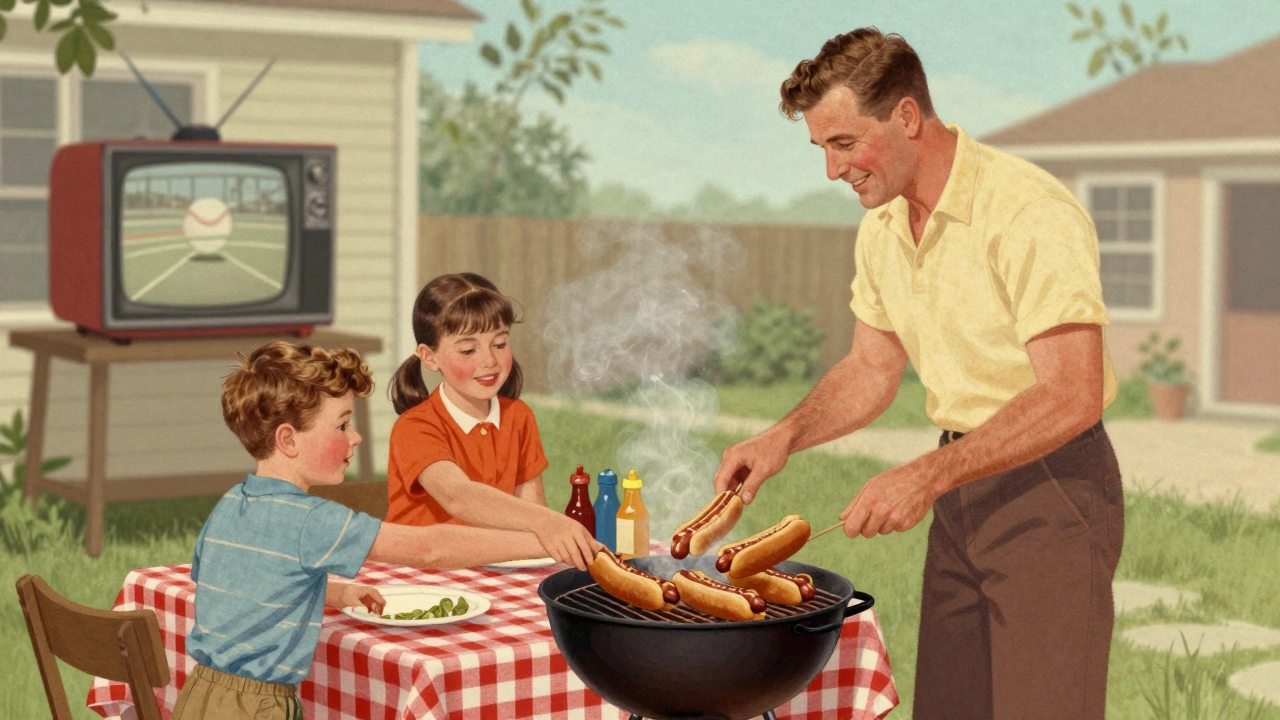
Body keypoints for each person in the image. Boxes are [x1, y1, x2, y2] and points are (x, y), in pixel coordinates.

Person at [712, 28, 1123, 720]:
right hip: (961, 492)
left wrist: (925, 477)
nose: (832, 171)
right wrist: (782, 437)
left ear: (906, 116)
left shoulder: (1026, 211)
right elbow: (872, 368)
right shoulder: (883, 228)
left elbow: (1071, 394)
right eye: (822, 150)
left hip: (1051, 490)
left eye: (844, 144)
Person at [173, 341, 593, 720]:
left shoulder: (232, 502)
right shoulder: (309, 518)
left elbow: (242, 585)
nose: (354, 438)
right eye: (340, 426)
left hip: (200, 695)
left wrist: (335, 593)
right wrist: (542, 537)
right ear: (288, 440)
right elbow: (430, 548)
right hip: (259, 708)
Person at [386, 272, 597, 568]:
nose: (489, 360)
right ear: (430, 357)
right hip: (418, 576)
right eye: (468, 350)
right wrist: (549, 524)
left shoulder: (518, 417)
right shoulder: (415, 427)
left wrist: (551, 531)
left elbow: (531, 513)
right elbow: (458, 496)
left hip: (490, 570)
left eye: (499, 343)